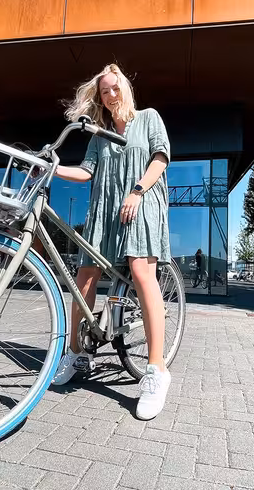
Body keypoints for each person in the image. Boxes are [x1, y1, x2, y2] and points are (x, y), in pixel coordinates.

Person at [51, 63, 173, 420]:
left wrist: (137, 190)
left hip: (142, 201)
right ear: (100, 98)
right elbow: (87, 172)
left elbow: (160, 158)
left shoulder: (149, 118)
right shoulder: (99, 135)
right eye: (104, 91)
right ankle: (75, 353)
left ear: (126, 89)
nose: (111, 94)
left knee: (140, 271)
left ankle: (156, 370)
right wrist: (55, 168)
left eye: (115, 87)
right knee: (84, 279)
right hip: (105, 212)